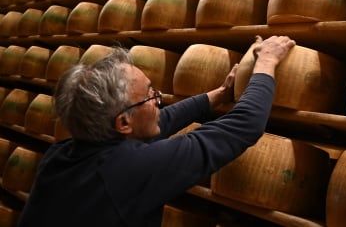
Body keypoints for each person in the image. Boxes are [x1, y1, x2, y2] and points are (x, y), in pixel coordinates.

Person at [18, 35, 296, 227]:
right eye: (151, 96)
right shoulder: (130, 171)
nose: (158, 100)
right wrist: (266, 63)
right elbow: (243, 126)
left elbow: (160, 121)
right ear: (123, 123)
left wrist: (217, 96)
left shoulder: (62, 155)